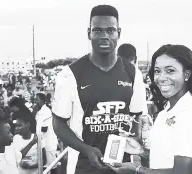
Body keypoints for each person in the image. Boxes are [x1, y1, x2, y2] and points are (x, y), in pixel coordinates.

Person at [52, 5, 147, 174]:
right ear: (89, 33)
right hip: (82, 166)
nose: (104, 36)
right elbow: (58, 124)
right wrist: (86, 149)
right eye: (97, 30)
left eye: (110, 30)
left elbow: (136, 118)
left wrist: (134, 138)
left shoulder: (134, 74)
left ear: (119, 33)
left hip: (122, 166)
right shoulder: (69, 75)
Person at [107, 44, 192, 174]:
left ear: (186, 74)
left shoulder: (190, 114)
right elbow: (166, 158)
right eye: (157, 71)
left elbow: (182, 172)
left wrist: (137, 170)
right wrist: (142, 152)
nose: (161, 78)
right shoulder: (167, 110)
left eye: (170, 70)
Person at [12, 109, 46, 174]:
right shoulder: (15, 139)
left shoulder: (38, 138)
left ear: (28, 124)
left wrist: (31, 165)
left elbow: (44, 160)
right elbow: (16, 157)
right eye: (16, 126)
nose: (16, 128)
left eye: (19, 125)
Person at [35, 93, 59, 173]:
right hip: (43, 142)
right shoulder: (39, 110)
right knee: (44, 165)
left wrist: (34, 128)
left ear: (42, 101)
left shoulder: (46, 111)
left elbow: (45, 128)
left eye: (37, 99)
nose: (35, 101)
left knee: (52, 165)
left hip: (49, 141)